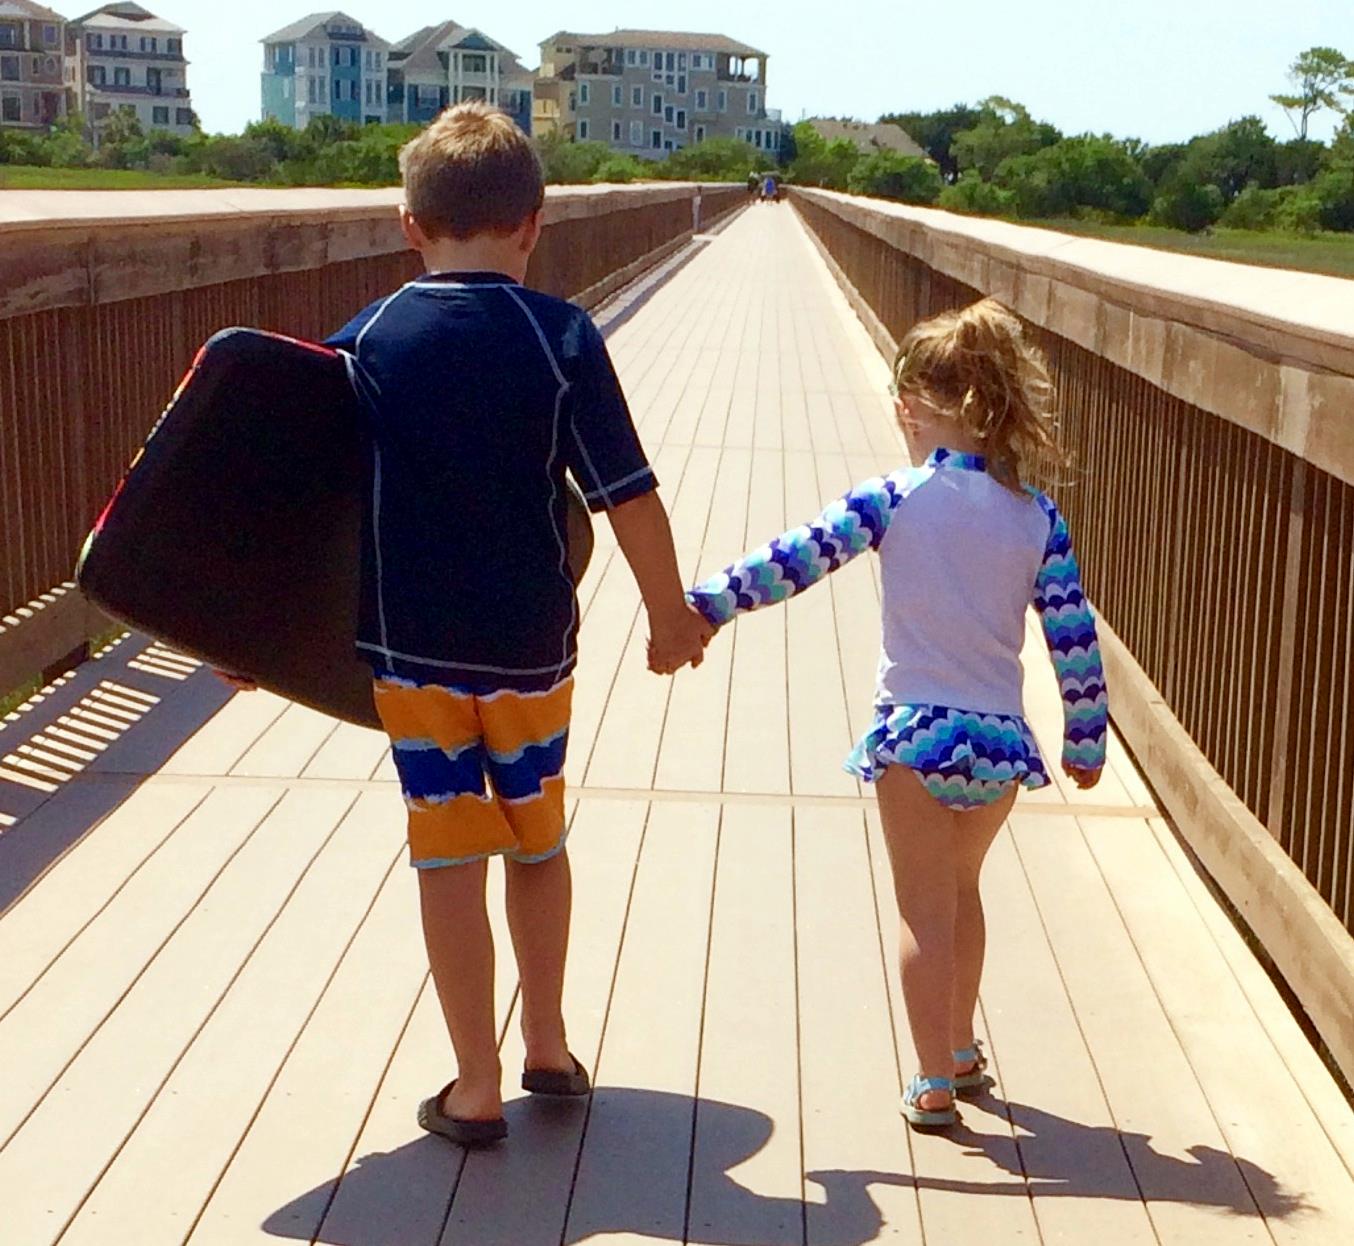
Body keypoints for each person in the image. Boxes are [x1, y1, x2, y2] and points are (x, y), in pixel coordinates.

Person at [227, 102, 710, 1148]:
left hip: (413, 654)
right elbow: (626, 494)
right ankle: (549, 1044)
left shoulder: (369, 338)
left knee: (449, 855)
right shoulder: (562, 336)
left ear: (410, 226)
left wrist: (248, 635)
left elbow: (299, 497)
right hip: (532, 650)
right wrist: (668, 615)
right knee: (536, 841)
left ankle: (476, 1084)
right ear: (533, 223)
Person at [677, 299, 1108, 1130]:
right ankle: (962, 1045)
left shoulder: (895, 496)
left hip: (916, 734)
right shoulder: (1037, 517)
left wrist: (709, 605)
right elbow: (1072, 636)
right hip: (998, 743)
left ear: (910, 409)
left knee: (922, 908)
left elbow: (798, 556)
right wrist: (1084, 738)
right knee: (962, 890)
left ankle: (932, 1079)